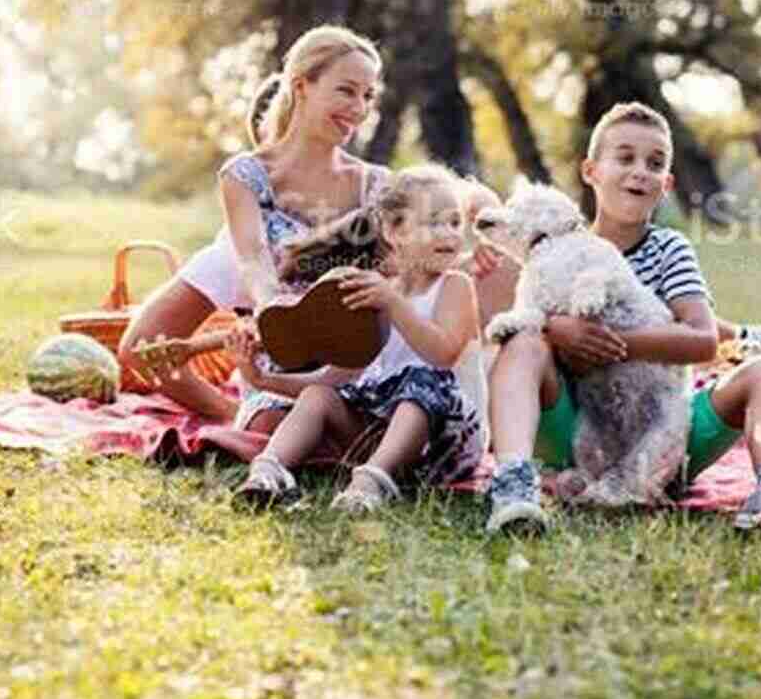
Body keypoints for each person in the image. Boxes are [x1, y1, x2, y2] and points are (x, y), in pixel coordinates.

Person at [485, 102, 761, 538]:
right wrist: (555, 330)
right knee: (522, 344)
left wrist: (615, 340)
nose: (640, 171)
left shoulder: (669, 249)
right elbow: (523, 323)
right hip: (575, 436)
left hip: (665, 433)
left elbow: (702, 340)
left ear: (666, 184)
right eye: (624, 158)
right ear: (591, 171)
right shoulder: (554, 250)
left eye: (655, 163)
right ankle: (513, 484)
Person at [116, 25, 390, 425]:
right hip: (281, 368)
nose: (359, 108)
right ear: (301, 86)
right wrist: (271, 309)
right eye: (346, 91)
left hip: (365, 361)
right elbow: (253, 255)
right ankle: (251, 418)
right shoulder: (246, 175)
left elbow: (434, 222)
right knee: (271, 424)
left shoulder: (377, 184)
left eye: (368, 96)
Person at [230, 165, 487, 512]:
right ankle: (269, 472)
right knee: (319, 395)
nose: (450, 235)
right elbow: (339, 377)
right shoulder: (376, 290)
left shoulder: (455, 286)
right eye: (434, 223)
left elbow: (442, 355)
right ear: (394, 231)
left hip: (446, 442)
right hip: (382, 436)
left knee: (422, 381)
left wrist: (393, 303)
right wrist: (261, 379)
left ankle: (369, 483)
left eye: (455, 223)